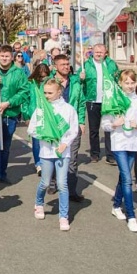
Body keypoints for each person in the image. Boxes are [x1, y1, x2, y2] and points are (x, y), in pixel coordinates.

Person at [101, 69, 137, 233]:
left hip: (132, 142)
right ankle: (131, 216)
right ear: (120, 84)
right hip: (119, 142)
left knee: (124, 176)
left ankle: (116, 205)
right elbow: (105, 124)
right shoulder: (114, 100)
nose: (129, 86)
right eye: (126, 83)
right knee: (128, 179)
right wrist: (115, 124)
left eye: (132, 83)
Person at [28, 77, 79, 231]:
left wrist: (65, 144)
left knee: (62, 184)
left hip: (63, 152)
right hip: (46, 152)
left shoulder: (68, 109)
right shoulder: (40, 110)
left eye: (50, 93)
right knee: (44, 182)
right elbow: (31, 129)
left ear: (59, 92)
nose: (47, 95)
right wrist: (43, 135)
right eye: (45, 93)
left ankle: (63, 216)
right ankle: (39, 203)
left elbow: (73, 129)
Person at [0, 44, 29, 188]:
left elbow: (24, 91)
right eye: (2, 56)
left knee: (5, 146)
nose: (4, 59)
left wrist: (9, 103)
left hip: (10, 114)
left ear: (12, 57)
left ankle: (2, 173)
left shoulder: (18, 73)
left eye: (7, 56)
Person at [51, 55, 87, 200]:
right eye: (62, 64)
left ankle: (71, 190)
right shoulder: (50, 83)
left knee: (72, 158)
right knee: (55, 155)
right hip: (55, 125)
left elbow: (81, 102)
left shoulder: (76, 83)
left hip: (72, 125)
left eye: (67, 64)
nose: (66, 67)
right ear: (55, 67)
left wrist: (82, 121)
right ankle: (53, 182)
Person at [79, 43, 119, 163]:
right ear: (93, 53)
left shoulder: (111, 64)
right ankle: (95, 153)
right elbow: (77, 81)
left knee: (110, 128)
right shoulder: (86, 65)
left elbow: (118, 79)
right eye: (96, 52)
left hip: (108, 101)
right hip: (92, 100)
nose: (98, 54)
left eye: (101, 52)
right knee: (94, 129)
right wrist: (80, 78)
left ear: (106, 53)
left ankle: (110, 155)